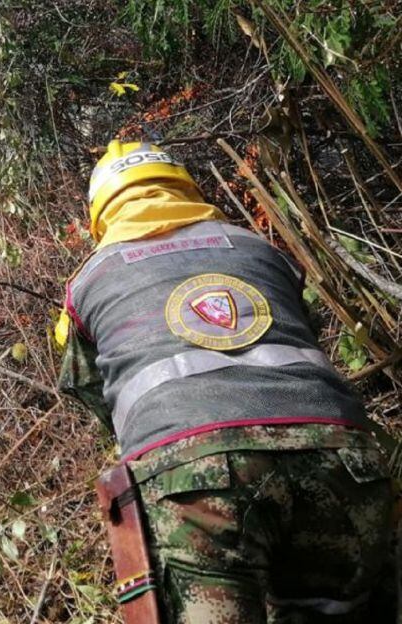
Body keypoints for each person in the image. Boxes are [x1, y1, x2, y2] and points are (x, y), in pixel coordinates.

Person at [55, 141, 396, 622]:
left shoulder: (87, 281)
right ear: (185, 185)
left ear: (101, 211)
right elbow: (308, 334)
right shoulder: (263, 250)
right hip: (340, 454)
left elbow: (85, 385)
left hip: (193, 472)